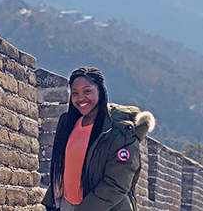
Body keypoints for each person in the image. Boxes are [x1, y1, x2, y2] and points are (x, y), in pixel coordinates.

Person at [42, 67, 155, 211]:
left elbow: (116, 184)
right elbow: (65, 167)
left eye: (87, 91)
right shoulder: (69, 123)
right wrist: (51, 202)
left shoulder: (119, 131)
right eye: (75, 93)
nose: (80, 98)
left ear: (101, 91)